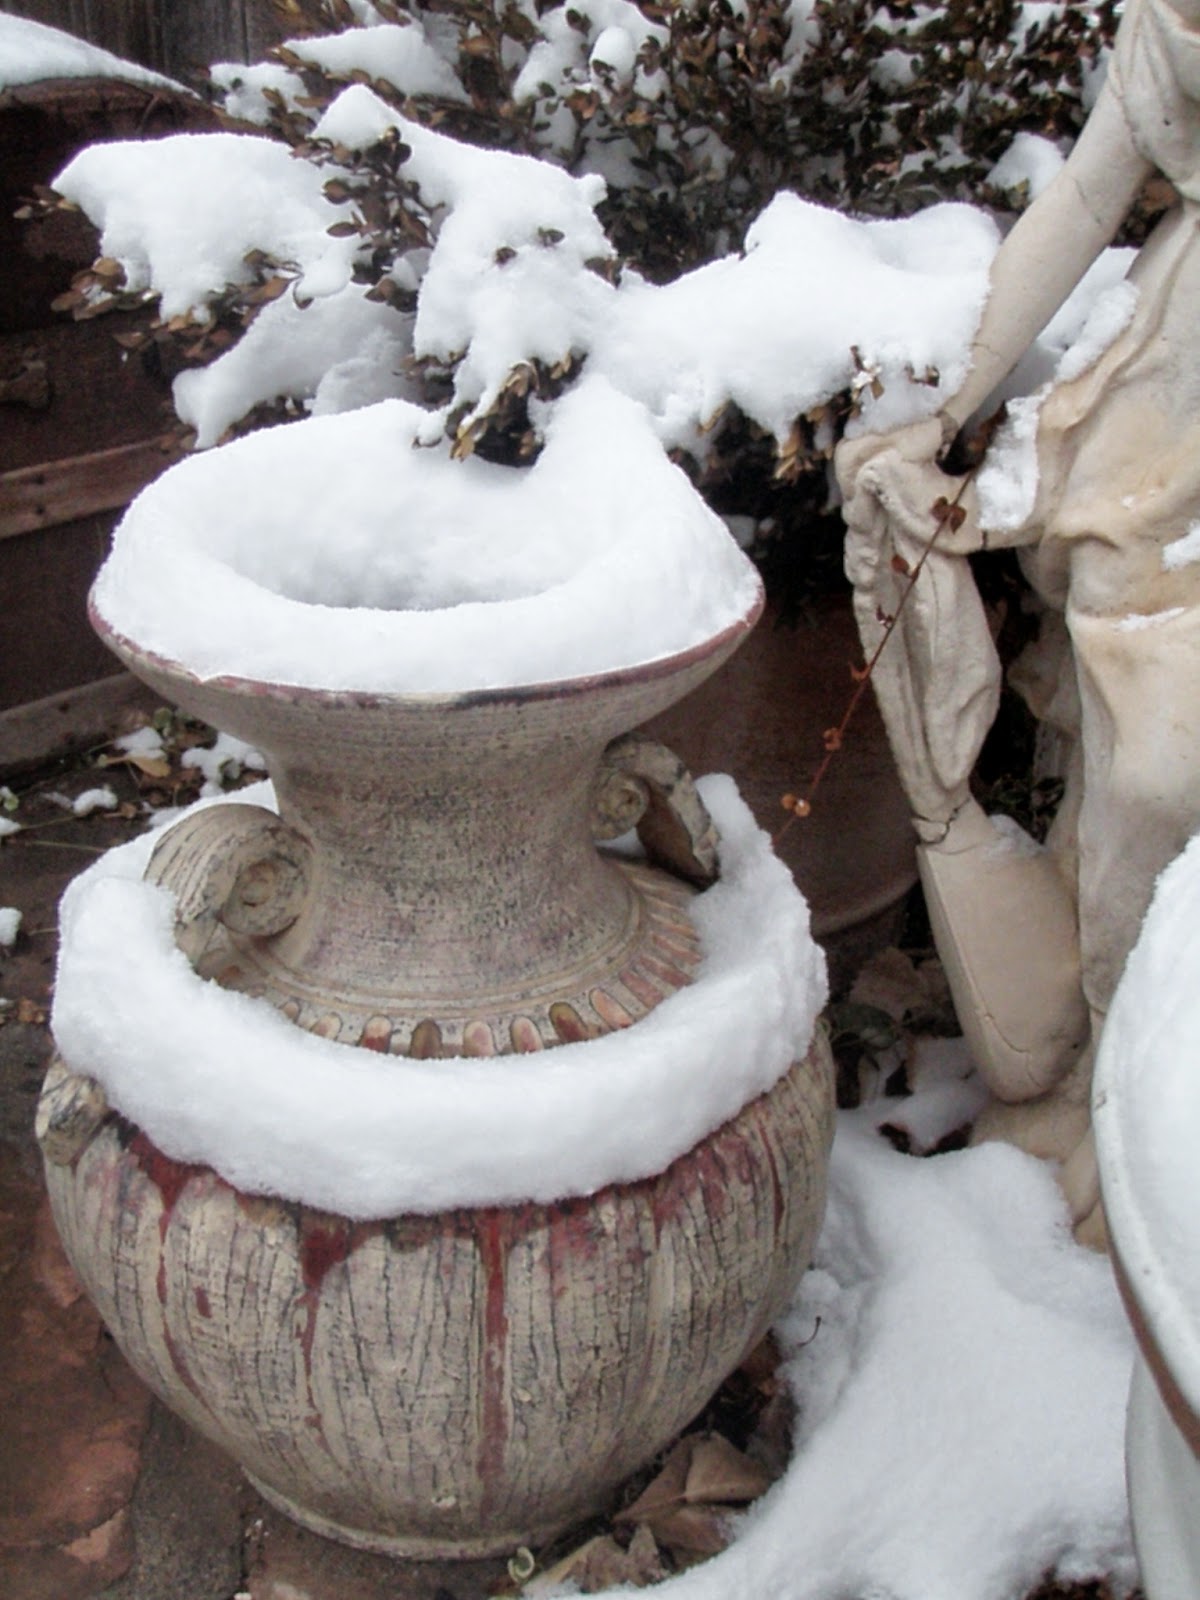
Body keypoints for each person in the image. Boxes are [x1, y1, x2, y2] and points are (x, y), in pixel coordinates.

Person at [836, 0, 1200, 1247]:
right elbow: (1091, 193)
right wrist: (943, 410)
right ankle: (1123, 1099)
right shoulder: (1179, 30)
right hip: (1173, 431)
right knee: (1144, 785)